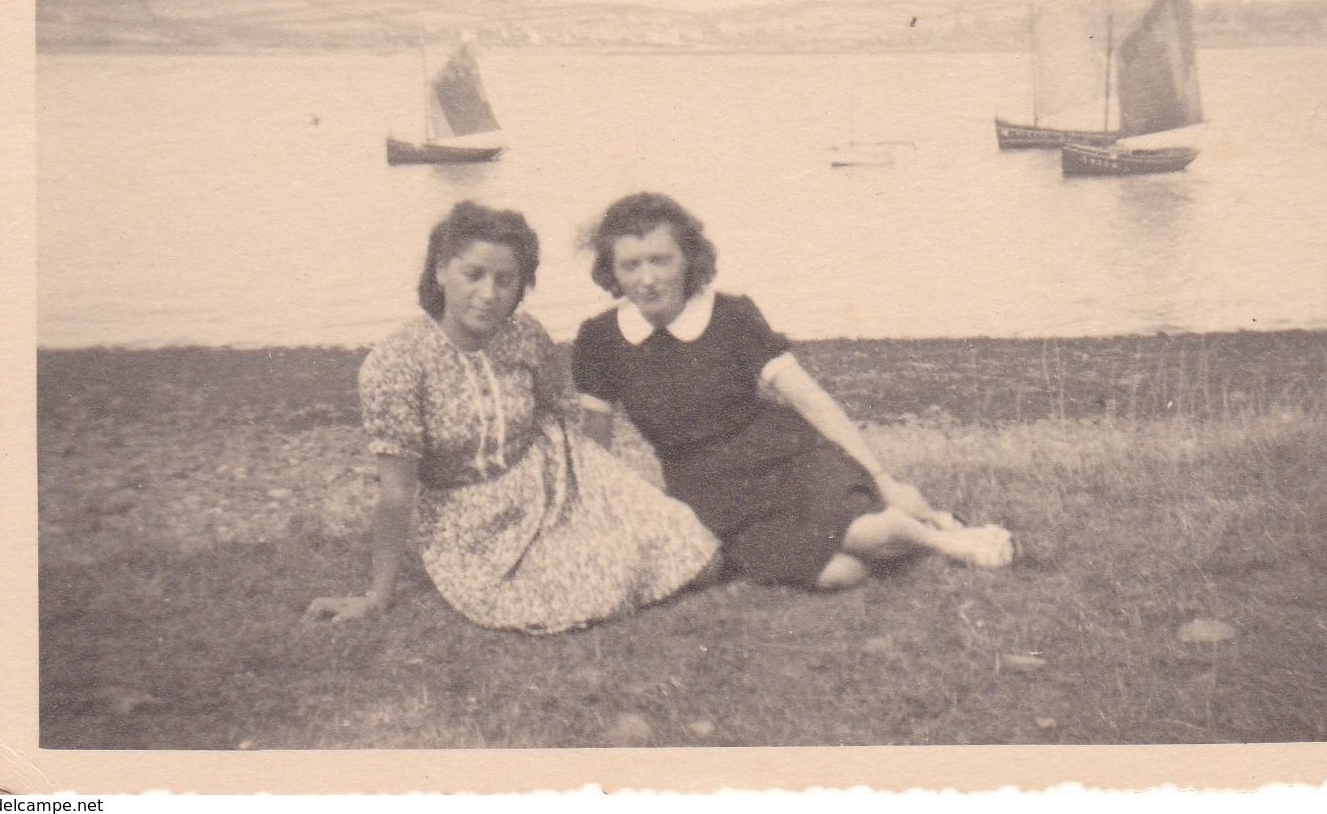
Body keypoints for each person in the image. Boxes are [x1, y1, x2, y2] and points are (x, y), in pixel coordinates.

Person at [306, 201, 719, 634]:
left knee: (697, 556)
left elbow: (561, 415)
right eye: (473, 274)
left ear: (521, 286)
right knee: (584, 589)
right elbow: (396, 492)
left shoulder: (525, 335)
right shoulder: (397, 362)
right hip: (471, 522)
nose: (488, 294)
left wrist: (601, 496)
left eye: (505, 280)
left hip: (553, 478)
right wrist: (378, 595)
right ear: (441, 271)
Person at [572, 192, 1014, 592]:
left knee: (862, 533)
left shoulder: (730, 317)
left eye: (660, 260)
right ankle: (927, 526)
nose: (647, 279)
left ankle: (949, 541)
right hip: (709, 491)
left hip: (787, 459)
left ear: (688, 259)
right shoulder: (600, 340)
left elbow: (810, 400)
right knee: (839, 574)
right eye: (631, 265)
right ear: (611, 271)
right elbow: (596, 445)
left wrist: (883, 478)